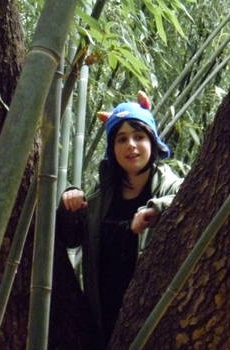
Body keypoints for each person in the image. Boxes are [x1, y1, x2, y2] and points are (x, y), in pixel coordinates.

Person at [51, 92, 183, 348]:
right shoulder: (102, 195)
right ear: (112, 148)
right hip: (102, 318)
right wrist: (70, 205)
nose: (130, 145)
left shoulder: (170, 186)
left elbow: (188, 198)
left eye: (139, 136)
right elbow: (69, 240)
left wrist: (155, 210)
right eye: (121, 139)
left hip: (152, 319)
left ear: (153, 141)